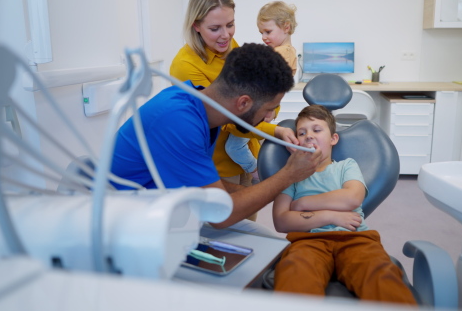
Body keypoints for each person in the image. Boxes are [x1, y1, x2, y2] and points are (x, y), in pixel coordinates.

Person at [111, 43, 322, 230]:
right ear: (243, 103)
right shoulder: (179, 122)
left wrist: (251, 191)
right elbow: (220, 216)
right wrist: (289, 174)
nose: (269, 117)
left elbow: (201, 183)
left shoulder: (196, 103)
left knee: (262, 237)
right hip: (126, 223)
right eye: (269, 109)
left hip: (163, 210)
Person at [272, 105, 417, 305]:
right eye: (302, 133)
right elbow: (281, 221)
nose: (309, 136)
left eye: (316, 130)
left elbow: (352, 198)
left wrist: (303, 203)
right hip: (307, 241)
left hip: (355, 238)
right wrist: (332, 216)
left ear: (333, 139)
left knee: (379, 274)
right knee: (295, 273)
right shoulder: (291, 174)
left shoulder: (346, 166)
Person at [169, 0, 297, 203]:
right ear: (196, 25)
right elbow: (224, 118)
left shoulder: (229, 45)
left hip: (247, 151)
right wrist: (274, 131)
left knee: (249, 225)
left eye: (230, 25)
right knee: (227, 231)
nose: (225, 35)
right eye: (215, 28)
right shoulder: (184, 67)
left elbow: (256, 96)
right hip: (217, 166)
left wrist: (272, 108)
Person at [225, 1, 298, 185]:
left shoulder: (281, 54)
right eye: (261, 33)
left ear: (286, 27)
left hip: (257, 108)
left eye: (267, 32)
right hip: (260, 106)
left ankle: (258, 172)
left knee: (233, 147)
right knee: (242, 143)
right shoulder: (286, 52)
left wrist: (268, 108)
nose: (264, 37)